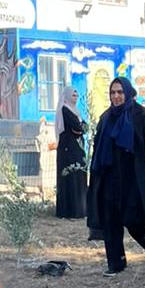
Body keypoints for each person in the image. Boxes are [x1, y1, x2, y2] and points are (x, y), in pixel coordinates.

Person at [86, 77, 145, 275]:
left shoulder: (141, 116)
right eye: (113, 92)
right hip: (108, 177)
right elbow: (98, 149)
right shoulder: (106, 118)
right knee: (110, 221)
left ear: (128, 93)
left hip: (134, 178)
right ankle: (116, 263)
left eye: (120, 92)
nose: (116, 96)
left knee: (134, 220)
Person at [54, 85, 87, 220]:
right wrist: (80, 128)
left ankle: (80, 208)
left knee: (79, 174)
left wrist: (81, 129)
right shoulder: (65, 110)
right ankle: (69, 210)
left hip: (77, 147)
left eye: (76, 95)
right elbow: (78, 126)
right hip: (68, 149)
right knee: (70, 175)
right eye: (73, 95)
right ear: (67, 96)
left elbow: (85, 127)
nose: (75, 97)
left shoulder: (76, 110)